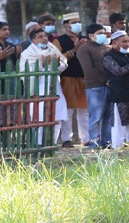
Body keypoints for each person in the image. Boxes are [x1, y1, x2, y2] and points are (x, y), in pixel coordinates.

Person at [19, 28, 68, 146]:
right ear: (33, 40)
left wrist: (57, 63)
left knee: (57, 118)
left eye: (45, 36)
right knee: (39, 118)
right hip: (38, 89)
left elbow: (64, 64)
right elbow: (24, 72)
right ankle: (39, 143)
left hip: (56, 88)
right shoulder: (27, 53)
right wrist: (42, 64)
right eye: (40, 37)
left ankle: (53, 143)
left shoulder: (52, 48)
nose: (44, 38)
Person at [52, 12, 90, 147]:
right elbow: (56, 59)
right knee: (68, 111)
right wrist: (74, 50)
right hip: (66, 79)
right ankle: (66, 139)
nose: (77, 24)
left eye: (78, 21)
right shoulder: (59, 41)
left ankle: (86, 138)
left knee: (84, 111)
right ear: (66, 25)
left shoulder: (86, 39)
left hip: (83, 79)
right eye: (74, 22)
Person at [78, 24, 112, 149]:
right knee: (95, 117)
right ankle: (94, 144)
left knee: (108, 117)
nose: (103, 35)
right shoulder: (84, 49)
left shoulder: (108, 48)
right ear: (91, 35)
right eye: (100, 33)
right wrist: (105, 80)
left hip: (109, 86)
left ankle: (107, 143)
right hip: (94, 87)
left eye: (104, 33)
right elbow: (88, 69)